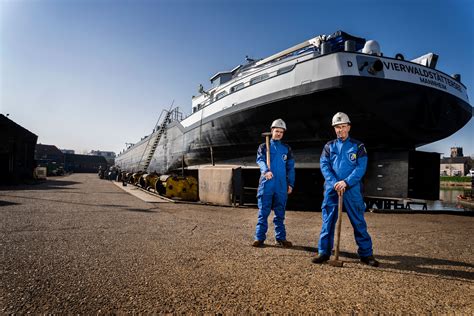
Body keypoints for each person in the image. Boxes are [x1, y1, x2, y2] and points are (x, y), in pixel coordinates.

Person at [312, 112, 379, 266]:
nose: (340, 130)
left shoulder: (358, 146)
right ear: (334, 129)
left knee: (358, 222)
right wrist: (335, 182)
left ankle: (366, 255)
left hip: (352, 189)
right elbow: (324, 166)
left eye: (343, 127)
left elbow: (361, 168)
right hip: (332, 189)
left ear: (348, 127)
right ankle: (324, 253)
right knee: (327, 221)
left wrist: (346, 182)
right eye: (337, 127)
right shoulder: (329, 146)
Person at [252, 119, 295, 248]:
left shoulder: (286, 149)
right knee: (263, 212)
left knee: (280, 213)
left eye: (281, 132)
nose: (279, 134)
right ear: (272, 131)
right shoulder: (264, 146)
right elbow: (260, 160)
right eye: (277, 131)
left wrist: (290, 184)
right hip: (267, 183)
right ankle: (259, 238)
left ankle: (280, 238)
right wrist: (265, 170)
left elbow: (290, 168)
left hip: (281, 185)